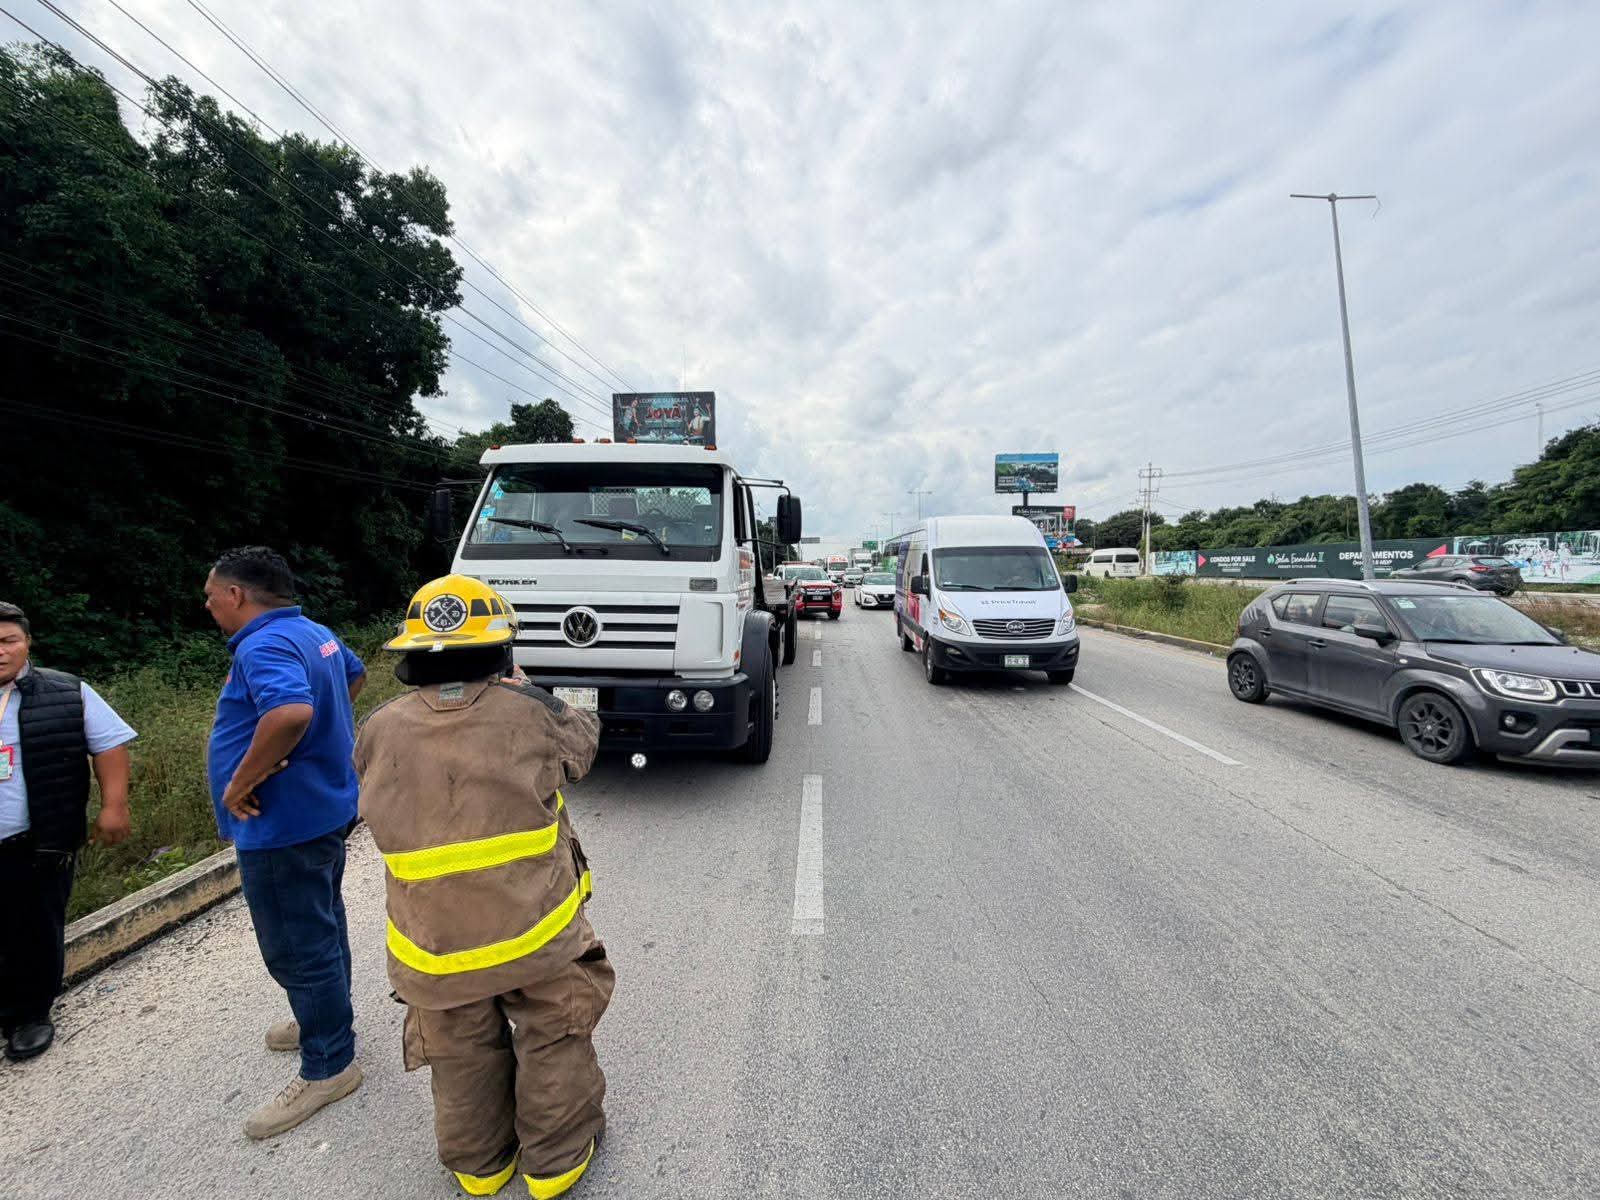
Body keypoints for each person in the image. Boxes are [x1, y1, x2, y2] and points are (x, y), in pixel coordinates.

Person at [355, 575, 611, 1199]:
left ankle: (480, 1166)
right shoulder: (530, 715)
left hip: (432, 947)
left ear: (409, 655)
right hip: (537, 933)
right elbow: (584, 744)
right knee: (553, 1035)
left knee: (460, 1052)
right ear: (503, 654)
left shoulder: (379, 728)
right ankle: (554, 1164)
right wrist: (535, 692)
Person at [203, 547, 366, 1139]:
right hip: (321, 808)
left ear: (237, 595)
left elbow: (291, 710)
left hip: (284, 822)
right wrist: (326, 735)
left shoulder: (262, 643)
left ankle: (329, 1064)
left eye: (211, 594)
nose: (209, 604)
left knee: (298, 943)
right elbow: (353, 672)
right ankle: (327, 1017)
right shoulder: (312, 630)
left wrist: (241, 780)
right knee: (322, 919)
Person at [0, 601, 135, 1062]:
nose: (0, 651)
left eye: (8, 640)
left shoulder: (65, 691)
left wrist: (114, 806)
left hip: (39, 839)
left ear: (27, 642)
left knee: (36, 926)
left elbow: (109, 746)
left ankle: (30, 1015)